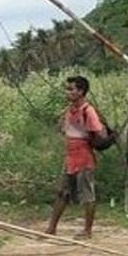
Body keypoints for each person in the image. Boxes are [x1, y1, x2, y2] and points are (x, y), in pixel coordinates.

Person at [45, 75, 104, 240]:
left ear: (81, 91)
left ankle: (87, 231)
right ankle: (51, 228)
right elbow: (63, 129)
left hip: (84, 157)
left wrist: (88, 142)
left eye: (71, 89)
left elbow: (97, 132)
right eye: (67, 89)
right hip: (70, 157)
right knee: (62, 192)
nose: (67, 92)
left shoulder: (88, 110)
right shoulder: (69, 110)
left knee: (87, 195)